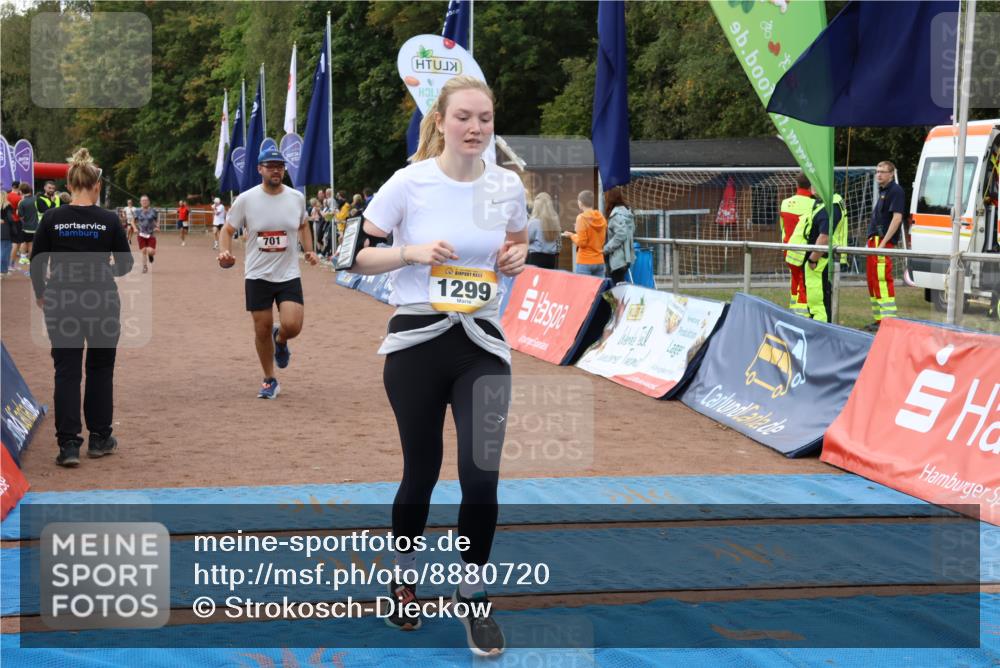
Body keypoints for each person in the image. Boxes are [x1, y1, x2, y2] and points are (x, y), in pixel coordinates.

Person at [352, 75, 527, 657]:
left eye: (485, 117)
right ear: (440, 121)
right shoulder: (409, 183)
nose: (475, 128)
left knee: (481, 478)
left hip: (482, 344)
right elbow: (357, 256)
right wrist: (410, 252)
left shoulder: (506, 186)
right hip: (416, 342)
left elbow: (519, 248)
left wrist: (515, 258)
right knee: (420, 472)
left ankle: (473, 595)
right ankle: (405, 577)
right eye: (464, 117)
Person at [29, 148, 133, 467]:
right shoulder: (108, 219)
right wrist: (106, 271)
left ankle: (69, 445)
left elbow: (36, 262)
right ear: (96, 186)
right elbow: (126, 264)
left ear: (70, 185)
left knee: (67, 371)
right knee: (101, 369)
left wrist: (42, 293)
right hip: (101, 299)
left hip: (61, 299)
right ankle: (100, 438)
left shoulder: (52, 217)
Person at [218, 148, 317, 400]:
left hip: (288, 273)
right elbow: (227, 230)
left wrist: (309, 250)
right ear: (259, 169)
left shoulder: (296, 198)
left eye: (280, 166)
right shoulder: (246, 199)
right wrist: (224, 253)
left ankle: (281, 339)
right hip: (257, 274)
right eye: (270, 166)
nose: (276, 170)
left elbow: (304, 226)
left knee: (293, 325)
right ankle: (269, 379)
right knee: (260, 329)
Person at [785, 191, 847, 323]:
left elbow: (824, 236)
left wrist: (813, 259)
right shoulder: (826, 202)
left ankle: (822, 331)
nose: (811, 186)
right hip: (816, 258)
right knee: (816, 300)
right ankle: (819, 327)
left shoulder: (831, 206)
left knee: (818, 301)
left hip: (819, 260)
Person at [866, 160, 904, 330]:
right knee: (873, 280)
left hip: (882, 242)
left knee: (882, 279)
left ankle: (888, 321)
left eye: (882, 171)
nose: (878, 174)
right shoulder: (883, 191)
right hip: (874, 241)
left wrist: (883, 243)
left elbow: (897, 218)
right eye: (877, 171)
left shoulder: (895, 191)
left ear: (891, 174)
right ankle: (879, 319)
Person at [779, 173, 815, 317]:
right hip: (805, 249)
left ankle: (793, 310)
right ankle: (802, 315)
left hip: (788, 248)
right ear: (812, 186)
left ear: (796, 185)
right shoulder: (814, 205)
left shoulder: (785, 203)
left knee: (794, 279)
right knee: (804, 281)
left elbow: (783, 228)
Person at [562, 189, 607, 277]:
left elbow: (582, 243)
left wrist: (572, 235)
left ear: (580, 203)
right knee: (599, 290)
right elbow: (599, 237)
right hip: (599, 260)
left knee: (584, 290)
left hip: (585, 261)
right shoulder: (601, 217)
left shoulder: (581, 218)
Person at [603, 186, 635, 284]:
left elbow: (621, 234)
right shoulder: (626, 212)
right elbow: (631, 230)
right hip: (626, 256)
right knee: (619, 286)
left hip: (617, 258)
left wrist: (606, 249)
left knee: (615, 289)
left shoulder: (616, 215)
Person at [526, 192, 561, 269]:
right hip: (551, 259)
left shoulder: (534, 222)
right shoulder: (555, 220)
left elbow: (526, 239)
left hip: (536, 258)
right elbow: (559, 242)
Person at [134, 195, 158, 273]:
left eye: (146, 200)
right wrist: (134, 228)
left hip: (151, 234)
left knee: (151, 251)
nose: (144, 202)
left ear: (149, 202)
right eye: (143, 200)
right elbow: (132, 221)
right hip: (141, 234)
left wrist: (157, 226)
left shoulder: (153, 211)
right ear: (140, 202)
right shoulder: (137, 211)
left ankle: (150, 255)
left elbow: (156, 220)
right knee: (143, 250)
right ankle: (145, 267)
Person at [17, 182, 39, 261]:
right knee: (32, 244)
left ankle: (23, 258)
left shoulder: (22, 202)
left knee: (25, 242)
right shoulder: (36, 199)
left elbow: (21, 216)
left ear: (21, 191)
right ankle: (30, 259)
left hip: (27, 226)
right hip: (37, 226)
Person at [8, 181, 22, 268]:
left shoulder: (6, 195)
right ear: (18, 187)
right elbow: (20, 211)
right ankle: (11, 264)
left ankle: (9, 263)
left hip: (7, 221)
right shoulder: (19, 197)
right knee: (16, 243)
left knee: (10, 243)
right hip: (16, 221)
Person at [0, 191, 13, 275]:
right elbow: (10, 219)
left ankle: (3, 270)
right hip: (4, 229)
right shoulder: (7, 205)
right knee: (5, 250)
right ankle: (2, 270)